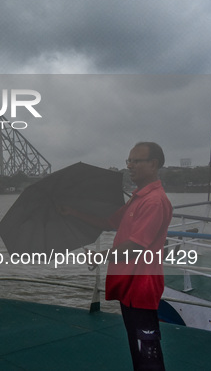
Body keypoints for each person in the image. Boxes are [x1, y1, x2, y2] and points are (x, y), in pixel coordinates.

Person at [62, 142, 172, 371]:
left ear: (153, 164)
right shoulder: (138, 198)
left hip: (142, 285)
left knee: (147, 351)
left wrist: (99, 256)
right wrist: (73, 213)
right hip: (129, 284)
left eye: (136, 161)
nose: (130, 166)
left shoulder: (154, 201)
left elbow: (136, 245)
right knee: (137, 345)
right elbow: (109, 222)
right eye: (128, 161)